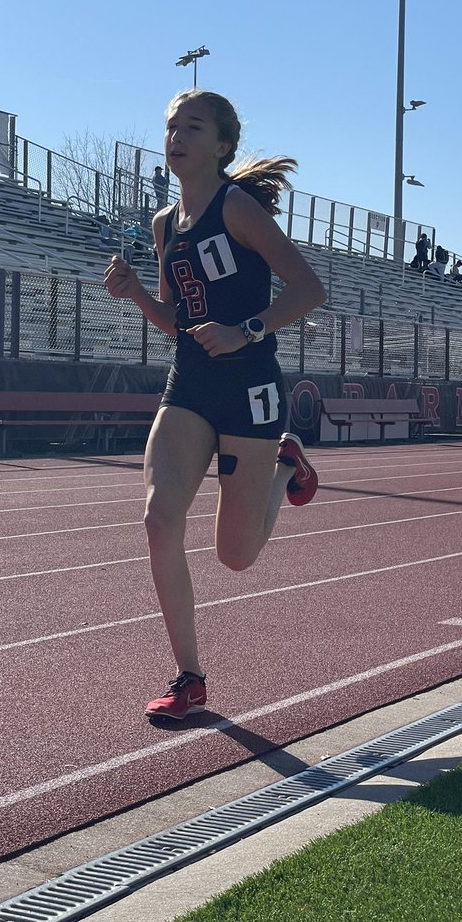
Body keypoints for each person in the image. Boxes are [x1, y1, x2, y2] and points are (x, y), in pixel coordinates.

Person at [104, 89, 326, 722]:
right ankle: (190, 678)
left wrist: (247, 331)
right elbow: (181, 321)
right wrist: (139, 295)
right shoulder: (163, 225)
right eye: (171, 125)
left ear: (222, 145)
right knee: (158, 518)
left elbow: (310, 288)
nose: (176, 135)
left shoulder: (238, 209)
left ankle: (287, 467)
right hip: (192, 383)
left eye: (192, 127)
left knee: (236, 555)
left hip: (251, 387)